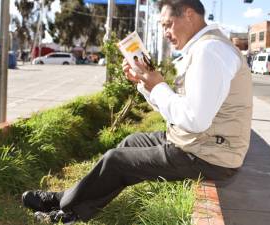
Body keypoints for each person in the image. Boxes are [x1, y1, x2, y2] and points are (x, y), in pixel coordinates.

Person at [21, 0, 252, 223]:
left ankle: (67, 211)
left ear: (189, 15)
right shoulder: (204, 48)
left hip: (210, 155)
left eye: (167, 24)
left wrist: (158, 85)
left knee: (116, 161)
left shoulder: (209, 51)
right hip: (198, 144)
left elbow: (195, 120)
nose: (165, 33)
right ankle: (69, 200)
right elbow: (181, 110)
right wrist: (144, 83)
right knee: (131, 142)